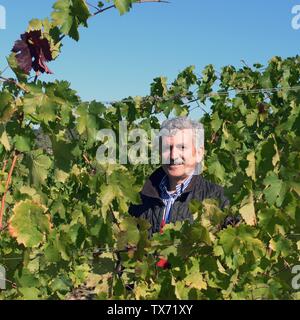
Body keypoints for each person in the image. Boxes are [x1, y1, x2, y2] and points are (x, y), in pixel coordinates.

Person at [129, 116, 231, 237]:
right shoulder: (142, 199)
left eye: (182, 147)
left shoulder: (219, 199)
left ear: (199, 153)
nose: (173, 156)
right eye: (167, 148)